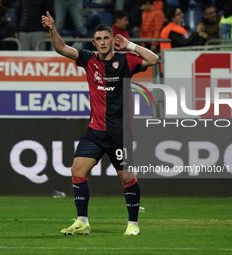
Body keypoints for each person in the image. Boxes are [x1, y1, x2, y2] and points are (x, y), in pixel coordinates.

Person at [41, 11, 159, 236]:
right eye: (99, 39)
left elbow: (153, 59)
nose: (103, 42)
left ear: (112, 39)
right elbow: (61, 48)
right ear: (94, 42)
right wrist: (52, 29)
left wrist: (130, 45)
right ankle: (82, 222)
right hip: (95, 131)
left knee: (126, 177)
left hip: (119, 133)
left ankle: (133, 224)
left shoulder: (125, 60)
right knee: (77, 170)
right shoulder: (88, 59)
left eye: (107, 38)